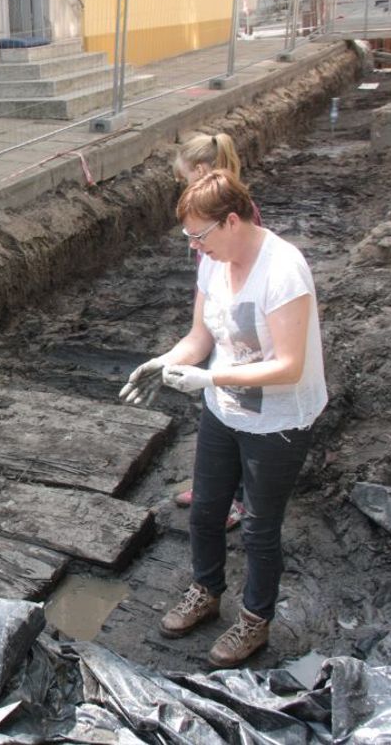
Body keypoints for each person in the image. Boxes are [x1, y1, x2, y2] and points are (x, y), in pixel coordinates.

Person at [120, 170, 327, 667]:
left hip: (277, 421)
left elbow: (289, 365)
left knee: (258, 529)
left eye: (199, 235)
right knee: (207, 511)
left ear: (231, 221)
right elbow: (201, 337)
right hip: (223, 411)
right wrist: (168, 360)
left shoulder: (283, 271)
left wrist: (210, 380)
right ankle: (206, 592)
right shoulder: (212, 264)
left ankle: (255, 621)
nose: (194, 247)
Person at [172, 132, 258, 530]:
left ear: (202, 171)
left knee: (239, 413)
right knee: (214, 412)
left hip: (239, 326)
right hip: (220, 313)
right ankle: (212, 487)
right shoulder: (212, 221)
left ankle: (237, 499)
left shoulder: (234, 217)